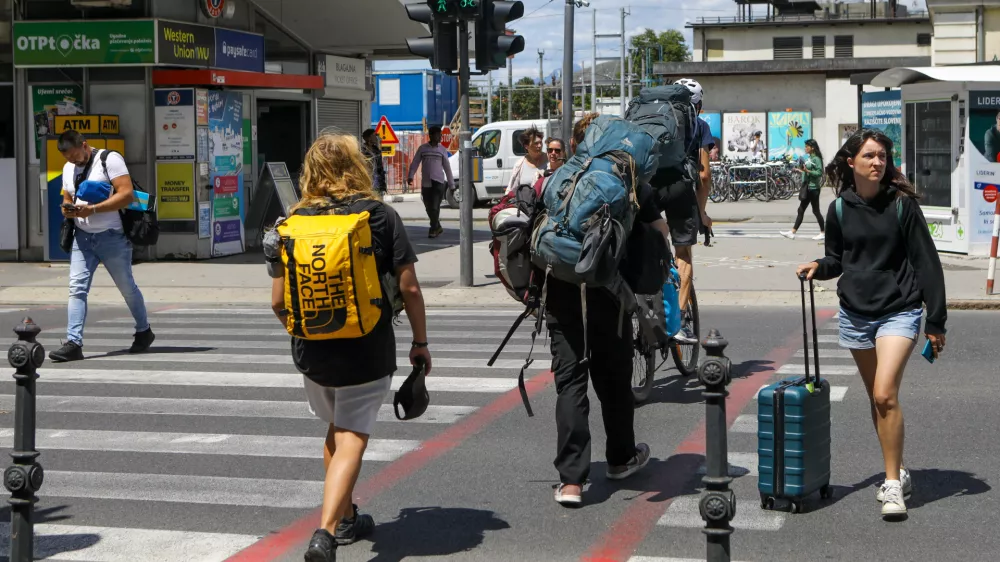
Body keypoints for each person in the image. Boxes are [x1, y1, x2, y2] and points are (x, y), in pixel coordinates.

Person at [265, 133, 430, 562]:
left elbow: (278, 302)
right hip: (366, 345)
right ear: (357, 167)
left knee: (337, 427)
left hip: (312, 350)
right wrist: (420, 342)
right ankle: (324, 533)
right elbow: (410, 288)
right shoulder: (380, 216)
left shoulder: (292, 222)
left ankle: (346, 517)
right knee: (353, 432)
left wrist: (306, 333)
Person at [796, 129, 947, 520]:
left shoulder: (901, 205)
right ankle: (897, 468)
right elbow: (837, 259)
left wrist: (936, 319)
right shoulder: (840, 209)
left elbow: (927, 261)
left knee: (884, 394)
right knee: (877, 400)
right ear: (851, 161)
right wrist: (818, 267)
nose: (878, 162)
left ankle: (892, 483)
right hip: (856, 312)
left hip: (900, 308)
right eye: (869, 156)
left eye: (882, 156)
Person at [547, 113, 668, 507]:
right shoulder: (633, 183)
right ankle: (620, 458)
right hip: (608, 291)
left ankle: (570, 481)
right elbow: (659, 237)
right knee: (613, 379)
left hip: (562, 287)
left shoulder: (563, 175)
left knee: (570, 380)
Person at [49, 130, 154, 363]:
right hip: (82, 237)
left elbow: (126, 195)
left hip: (112, 237)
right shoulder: (68, 168)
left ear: (85, 146)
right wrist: (67, 207)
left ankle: (144, 330)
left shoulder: (109, 160)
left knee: (127, 288)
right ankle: (73, 342)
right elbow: (67, 196)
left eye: (76, 156)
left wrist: (94, 209)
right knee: (77, 289)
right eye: (68, 159)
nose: (73, 162)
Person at [653, 77, 713, 344]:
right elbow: (705, 174)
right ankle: (678, 320)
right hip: (679, 189)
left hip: (648, 188)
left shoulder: (655, 120)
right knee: (684, 252)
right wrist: (702, 212)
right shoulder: (699, 126)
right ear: (698, 105)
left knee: (649, 243)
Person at [407, 125, 454, 238]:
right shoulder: (423, 149)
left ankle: (433, 229)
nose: (440, 137)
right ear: (431, 135)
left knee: (435, 207)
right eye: (438, 135)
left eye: (440, 135)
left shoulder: (442, 150)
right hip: (426, 182)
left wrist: (452, 185)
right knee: (428, 206)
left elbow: (447, 168)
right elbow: (415, 162)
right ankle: (437, 226)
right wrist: (410, 176)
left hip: (438, 182)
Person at [781, 139, 827, 241]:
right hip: (807, 187)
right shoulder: (810, 157)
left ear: (812, 148)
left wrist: (807, 171)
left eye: (807, 146)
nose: (805, 148)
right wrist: (801, 170)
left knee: (816, 211)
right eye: (805, 146)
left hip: (813, 188)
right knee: (801, 210)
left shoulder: (817, 159)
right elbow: (807, 171)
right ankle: (792, 232)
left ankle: (823, 232)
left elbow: (819, 173)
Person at [506, 127, 547, 194]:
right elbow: (512, 189)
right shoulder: (519, 165)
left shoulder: (549, 161)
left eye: (540, 142)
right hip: (526, 203)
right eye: (535, 143)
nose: (539, 146)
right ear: (526, 146)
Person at [361, 128, 387, 197]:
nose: (376, 138)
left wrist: (383, 186)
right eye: (374, 135)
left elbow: (380, 169)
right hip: (367, 184)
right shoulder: (362, 150)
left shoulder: (376, 150)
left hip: (377, 184)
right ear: (368, 138)